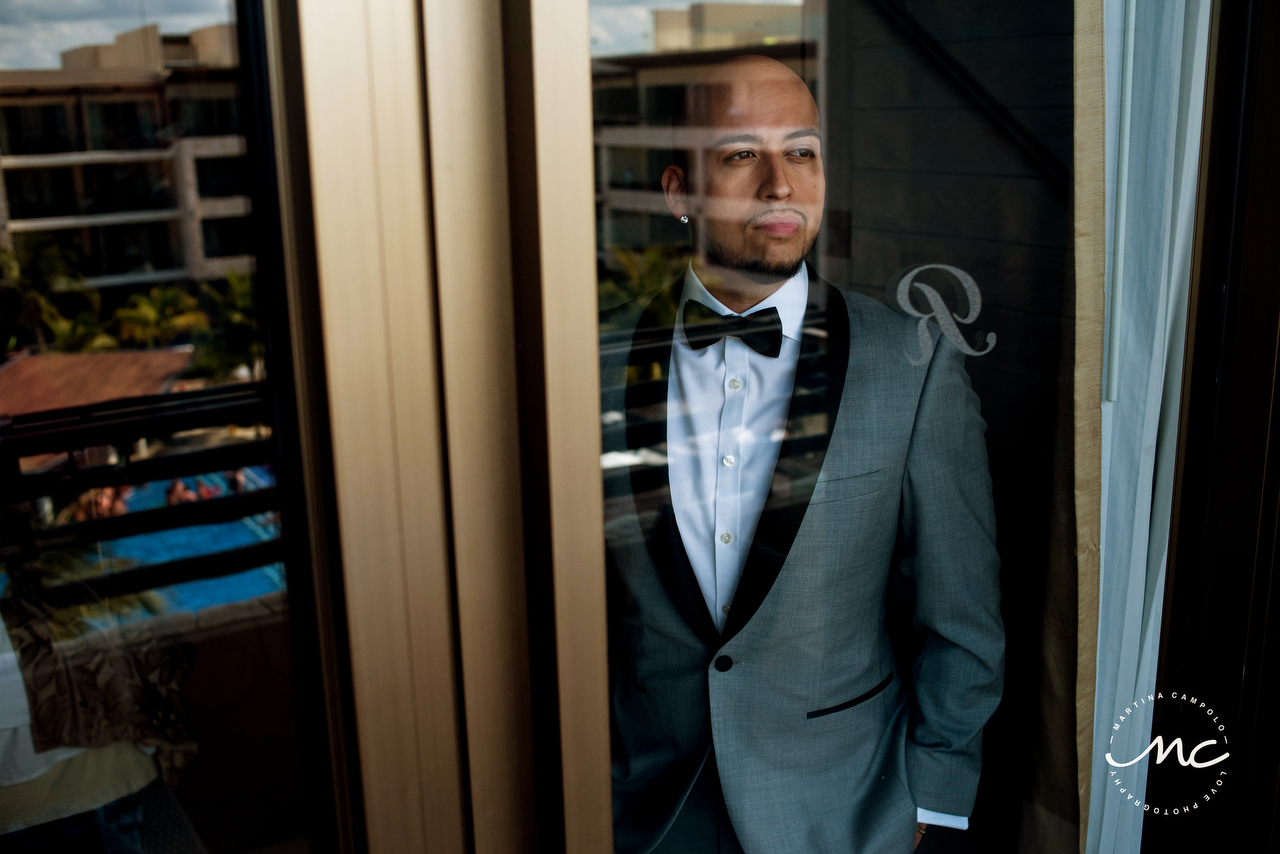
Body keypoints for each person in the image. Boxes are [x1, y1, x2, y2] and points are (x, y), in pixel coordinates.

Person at [600, 56, 1004, 854]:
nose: (781, 185)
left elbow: (963, 614)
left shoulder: (914, 362)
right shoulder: (596, 368)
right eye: (743, 153)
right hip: (642, 811)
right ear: (680, 192)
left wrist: (935, 795)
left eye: (804, 151)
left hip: (849, 812)